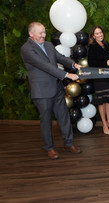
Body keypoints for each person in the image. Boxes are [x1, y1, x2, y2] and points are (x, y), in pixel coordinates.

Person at [20, 21, 82, 160]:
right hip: (42, 92)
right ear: (31, 34)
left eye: (44, 32)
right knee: (46, 120)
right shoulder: (27, 49)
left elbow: (60, 58)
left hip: (57, 88)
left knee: (63, 116)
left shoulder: (48, 45)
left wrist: (73, 64)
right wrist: (66, 75)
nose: (43, 35)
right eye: (40, 33)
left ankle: (69, 143)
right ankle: (50, 148)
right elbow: (45, 66)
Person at [87, 26, 109, 135]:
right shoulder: (92, 47)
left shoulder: (107, 44)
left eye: (101, 32)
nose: (100, 35)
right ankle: (104, 124)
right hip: (99, 78)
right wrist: (106, 63)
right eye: (97, 33)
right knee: (102, 102)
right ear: (93, 36)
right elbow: (92, 63)